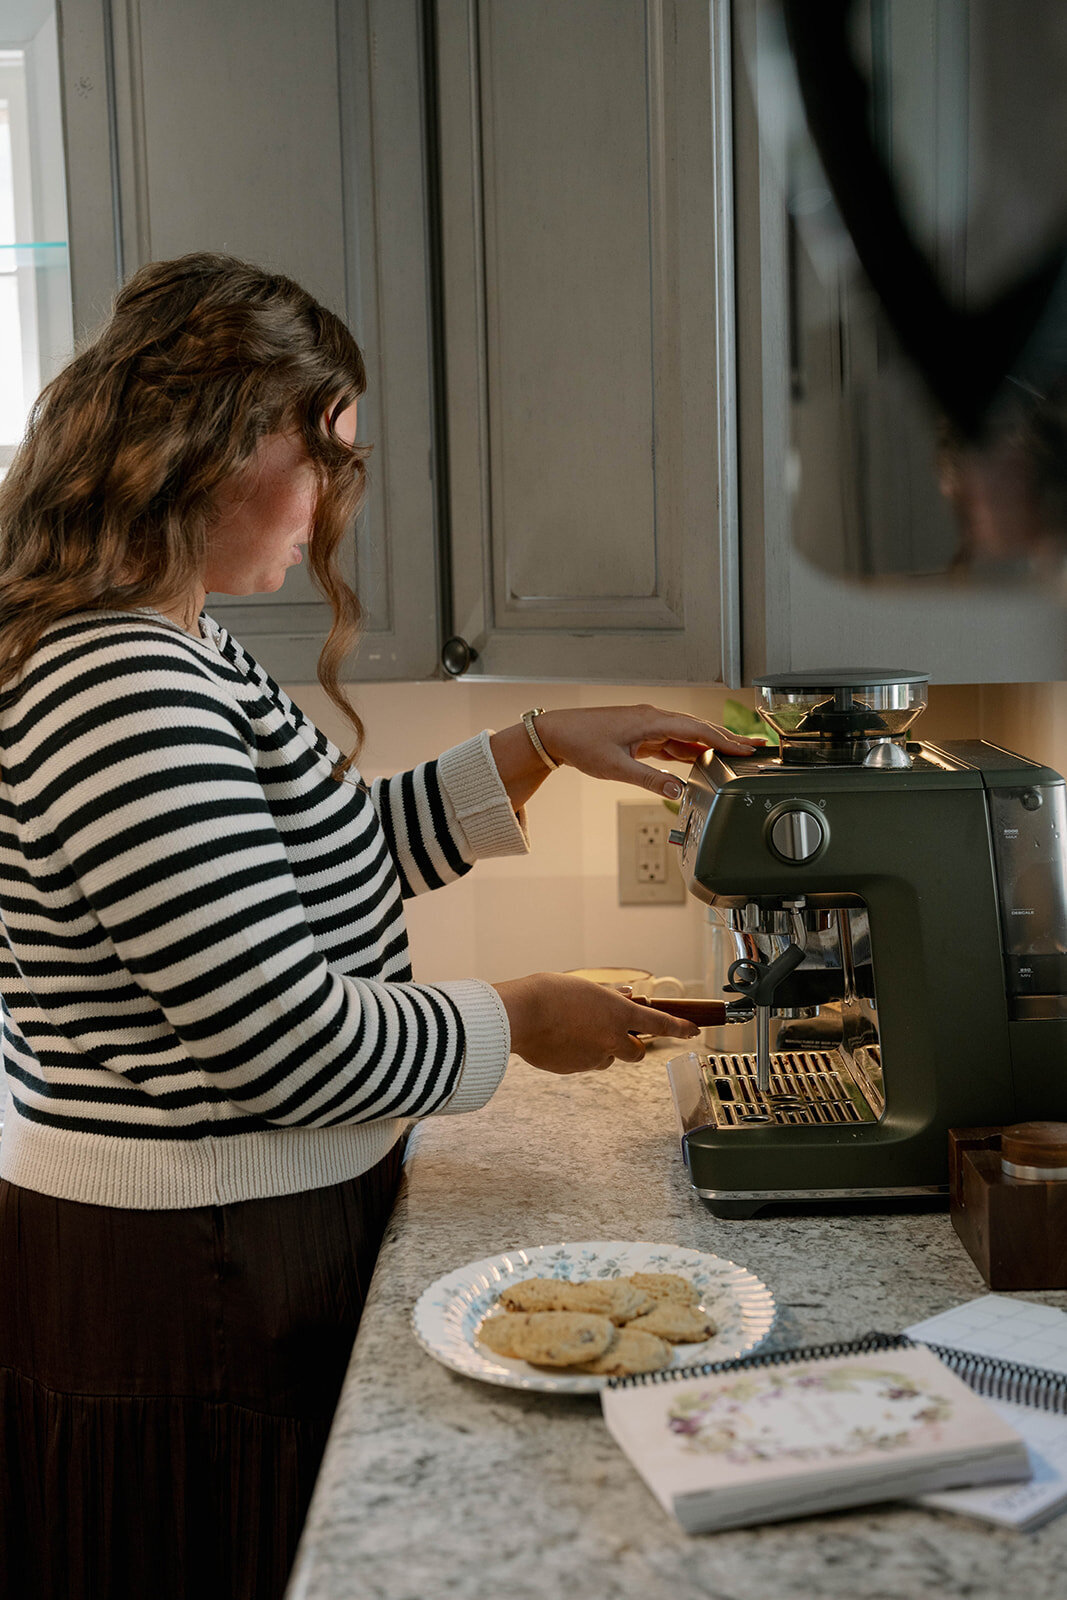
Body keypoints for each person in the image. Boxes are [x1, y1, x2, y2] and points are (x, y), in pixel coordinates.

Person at [0, 253, 756, 1600]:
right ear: (222, 436)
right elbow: (284, 1039)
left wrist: (535, 746)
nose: (340, 497)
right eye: (327, 451)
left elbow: (327, 856)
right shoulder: (116, 680)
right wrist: (517, 1018)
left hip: (233, 1247)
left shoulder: (179, 646)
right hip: (186, 1283)